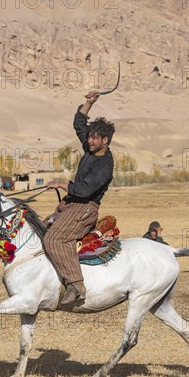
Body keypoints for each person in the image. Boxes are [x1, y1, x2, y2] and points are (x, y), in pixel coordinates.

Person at [45, 90, 115, 306]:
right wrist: (88, 103)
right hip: (72, 203)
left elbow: (84, 190)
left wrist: (60, 184)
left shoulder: (105, 165)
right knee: (41, 228)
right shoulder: (91, 148)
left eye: (95, 137)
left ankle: (77, 285)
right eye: (90, 136)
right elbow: (79, 124)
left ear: (105, 140)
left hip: (86, 208)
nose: (90, 140)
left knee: (54, 238)